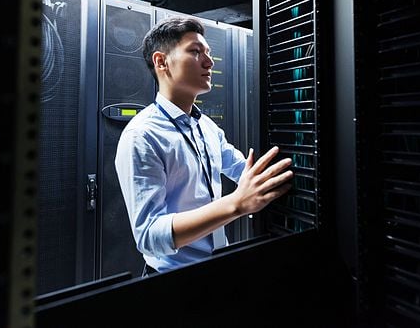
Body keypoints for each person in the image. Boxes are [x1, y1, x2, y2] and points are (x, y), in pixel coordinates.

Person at [114, 16, 294, 275]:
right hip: (174, 280)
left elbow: (245, 172)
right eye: (195, 52)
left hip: (220, 265)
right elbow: (150, 236)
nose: (209, 62)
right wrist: (236, 204)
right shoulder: (142, 136)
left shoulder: (206, 127)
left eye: (208, 53)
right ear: (161, 61)